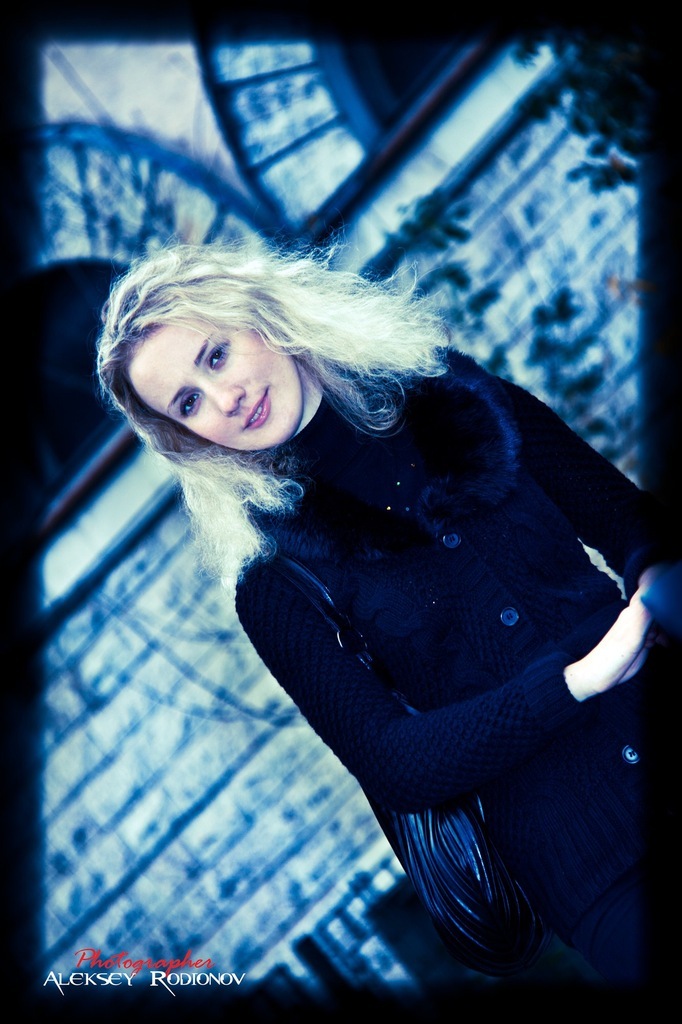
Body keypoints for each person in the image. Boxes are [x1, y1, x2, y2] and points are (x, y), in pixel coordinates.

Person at [96, 237, 679, 990]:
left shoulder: (454, 396)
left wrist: (652, 586)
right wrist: (577, 681)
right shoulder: (274, 586)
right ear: (189, 441)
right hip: (596, 870)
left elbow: (628, 522)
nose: (224, 399)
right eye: (188, 404)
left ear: (263, 317)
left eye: (215, 356)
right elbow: (395, 761)